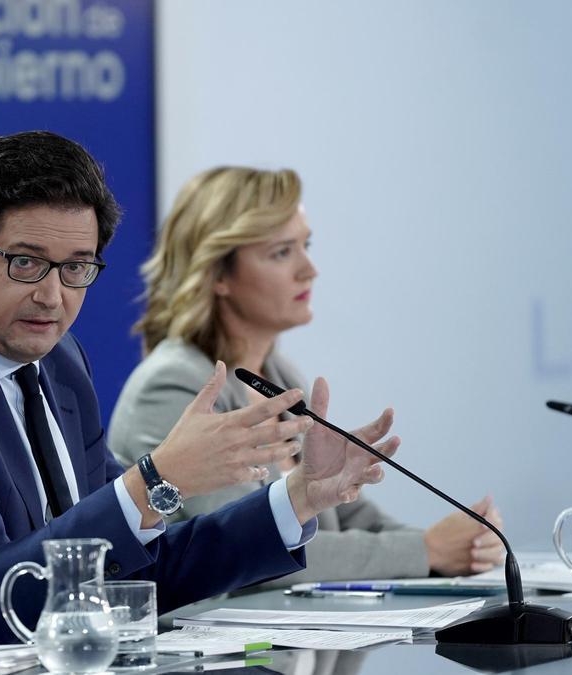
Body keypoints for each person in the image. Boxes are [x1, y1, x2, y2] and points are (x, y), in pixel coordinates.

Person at [0, 133, 399, 662]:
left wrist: (291, 502)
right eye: (27, 262)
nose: (54, 296)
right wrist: (159, 481)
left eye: (78, 266)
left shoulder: (58, 358)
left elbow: (130, 569)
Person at [110, 166, 505, 585]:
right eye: (282, 252)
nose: (309, 269)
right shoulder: (176, 386)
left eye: (306, 245)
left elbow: (342, 512)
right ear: (218, 274)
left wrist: (457, 543)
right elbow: (244, 549)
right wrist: (426, 550)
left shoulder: (277, 376)